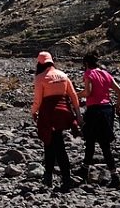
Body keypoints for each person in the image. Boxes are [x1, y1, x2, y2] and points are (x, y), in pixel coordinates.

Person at [76, 53, 120, 187]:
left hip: (94, 111)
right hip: (107, 110)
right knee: (105, 144)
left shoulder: (89, 74)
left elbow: (88, 92)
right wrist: (117, 107)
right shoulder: (105, 74)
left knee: (90, 141)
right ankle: (114, 175)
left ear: (86, 63)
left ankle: (85, 169)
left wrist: (75, 95)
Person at [31, 51, 79, 191]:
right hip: (64, 114)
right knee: (53, 143)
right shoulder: (63, 75)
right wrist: (78, 115)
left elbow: (38, 100)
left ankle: (60, 178)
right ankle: (54, 177)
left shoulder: (40, 78)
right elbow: (73, 96)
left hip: (49, 115)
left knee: (54, 144)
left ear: (40, 63)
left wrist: (33, 112)